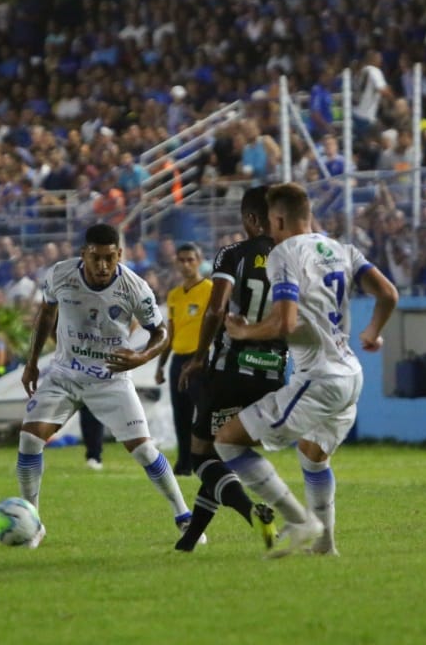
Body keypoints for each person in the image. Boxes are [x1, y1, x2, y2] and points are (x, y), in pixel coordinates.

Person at [218, 182, 399, 557]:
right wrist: (372, 332)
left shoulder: (283, 254)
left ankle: (300, 521)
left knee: (228, 440)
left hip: (319, 378)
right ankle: (325, 545)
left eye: (271, 220)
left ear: (279, 218)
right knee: (313, 454)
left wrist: (244, 330)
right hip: (350, 374)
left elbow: (285, 323)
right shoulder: (342, 249)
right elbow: (388, 294)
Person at [17, 223, 193, 547]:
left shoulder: (135, 288)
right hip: (65, 374)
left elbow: (161, 333)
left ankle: (184, 516)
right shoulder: (61, 275)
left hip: (110, 379)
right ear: (83, 253)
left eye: (109, 258)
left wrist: (142, 357)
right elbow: (46, 314)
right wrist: (31, 364)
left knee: (144, 450)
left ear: (119, 255)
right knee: (29, 440)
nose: (102, 266)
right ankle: (33, 523)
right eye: (95, 258)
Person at [175, 186, 288, 552]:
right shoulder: (293, 257)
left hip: (230, 370)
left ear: (252, 219)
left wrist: (198, 357)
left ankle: (251, 513)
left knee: (201, 456)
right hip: (272, 374)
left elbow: (216, 308)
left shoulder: (233, 254)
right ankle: (189, 541)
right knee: (222, 453)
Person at [155, 243, 211, 475]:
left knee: (204, 412)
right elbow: (171, 331)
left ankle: (206, 460)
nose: (186, 264)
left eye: (190, 259)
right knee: (181, 413)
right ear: (176, 263)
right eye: (182, 260)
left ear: (199, 261)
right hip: (179, 359)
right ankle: (184, 462)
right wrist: (161, 364)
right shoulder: (175, 295)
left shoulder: (210, 289)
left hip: (201, 358)